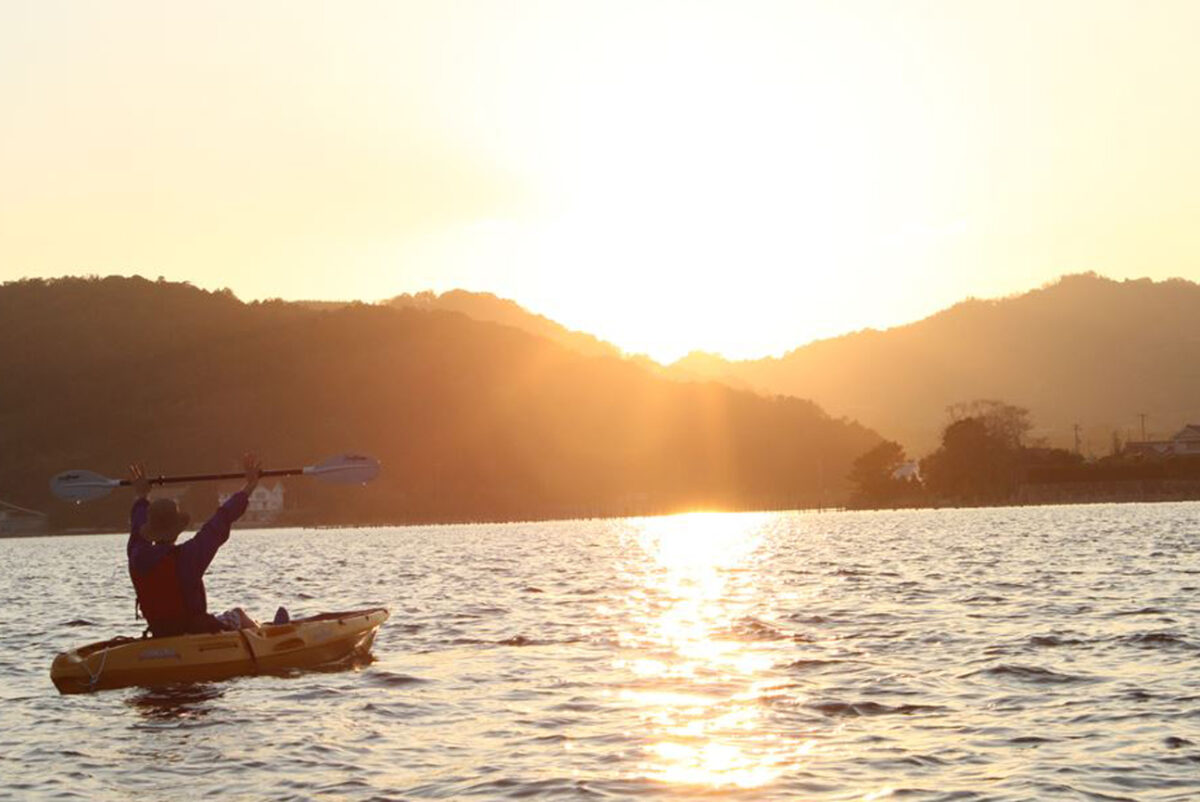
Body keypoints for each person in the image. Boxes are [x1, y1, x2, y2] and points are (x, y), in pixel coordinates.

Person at [127, 453, 284, 637]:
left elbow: (137, 526)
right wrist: (250, 485)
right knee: (238, 615)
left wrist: (141, 496)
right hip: (193, 634)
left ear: (150, 529)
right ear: (176, 529)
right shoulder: (188, 556)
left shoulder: (136, 556)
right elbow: (222, 518)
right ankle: (271, 636)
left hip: (160, 633)